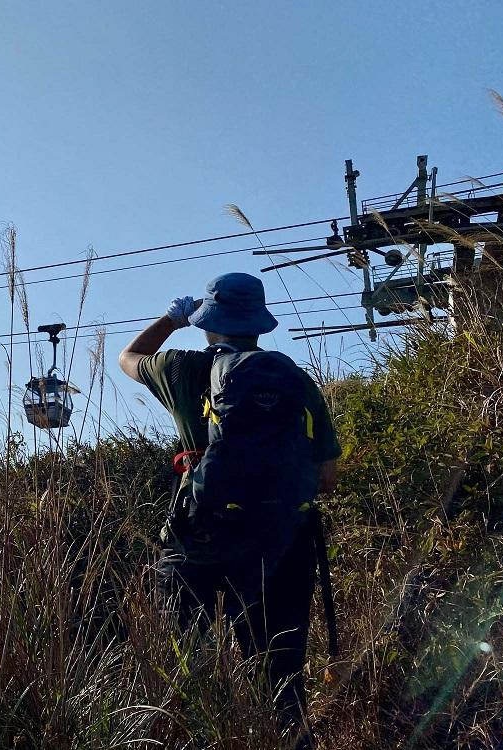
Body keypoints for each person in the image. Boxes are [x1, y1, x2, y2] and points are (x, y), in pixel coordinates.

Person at [118, 272, 340, 748]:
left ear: (208, 322)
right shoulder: (295, 380)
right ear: (259, 323)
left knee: (181, 674)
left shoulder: (182, 369)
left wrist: (171, 319)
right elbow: (327, 474)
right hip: (283, 542)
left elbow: (128, 357)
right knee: (282, 680)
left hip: (199, 541)